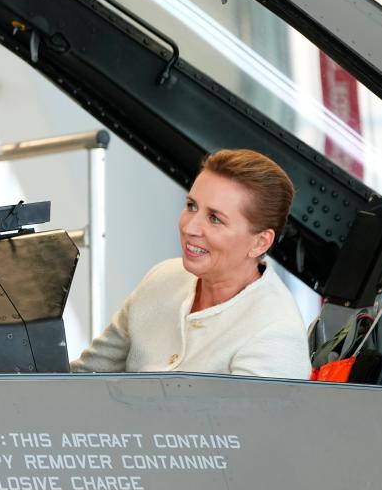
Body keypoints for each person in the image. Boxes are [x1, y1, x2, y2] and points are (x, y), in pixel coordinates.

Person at [71, 149, 311, 379]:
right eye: (191, 206)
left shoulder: (275, 333)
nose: (189, 227)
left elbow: (241, 423)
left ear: (260, 243)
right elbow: (81, 377)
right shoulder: (162, 278)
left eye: (215, 219)